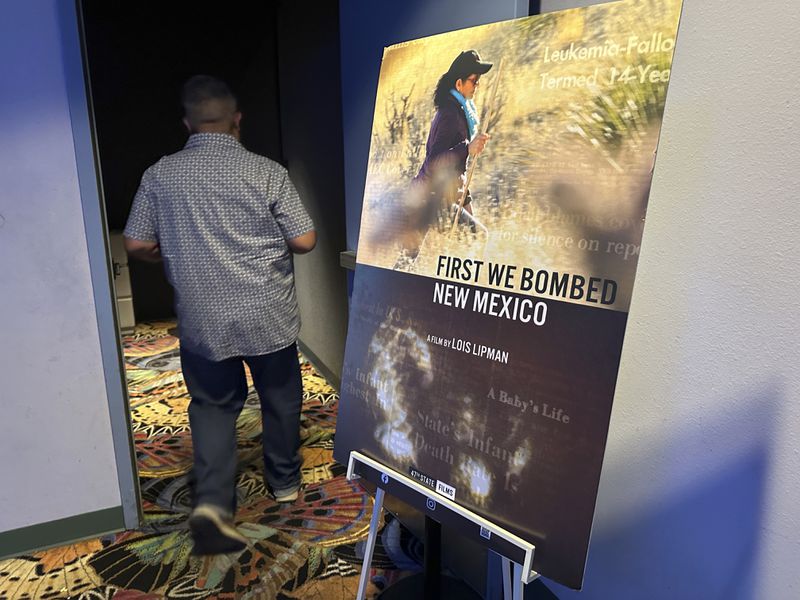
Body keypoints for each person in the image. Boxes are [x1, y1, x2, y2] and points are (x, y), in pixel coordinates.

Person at [123, 75, 316, 555]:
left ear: (187, 123)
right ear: (237, 120)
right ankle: (285, 484)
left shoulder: (160, 174)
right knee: (280, 399)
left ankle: (213, 501)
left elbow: (136, 243)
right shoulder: (266, 171)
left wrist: (177, 252)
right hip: (267, 314)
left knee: (212, 406)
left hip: (203, 320)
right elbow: (305, 240)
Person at [411, 49, 493, 239]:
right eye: (474, 80)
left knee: (407, 259)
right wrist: (467, 149)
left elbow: (455, 169)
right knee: (480, 238)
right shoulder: (450, 114)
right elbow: (434, 162)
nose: (477, 85)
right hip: (429, 199)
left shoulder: (460, 111)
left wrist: (465, 199)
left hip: (435, 195)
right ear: (459, 83)